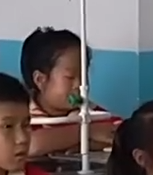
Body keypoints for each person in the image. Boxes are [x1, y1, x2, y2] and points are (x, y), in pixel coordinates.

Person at [21, 27, 119, 156]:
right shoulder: (20, 113)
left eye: (83, 75)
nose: (79, 84)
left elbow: (121, 133)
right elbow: (31, 145)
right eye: (70, 77)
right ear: (40, 80)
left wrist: (87, 145)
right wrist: (88, 131)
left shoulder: (91, 111)